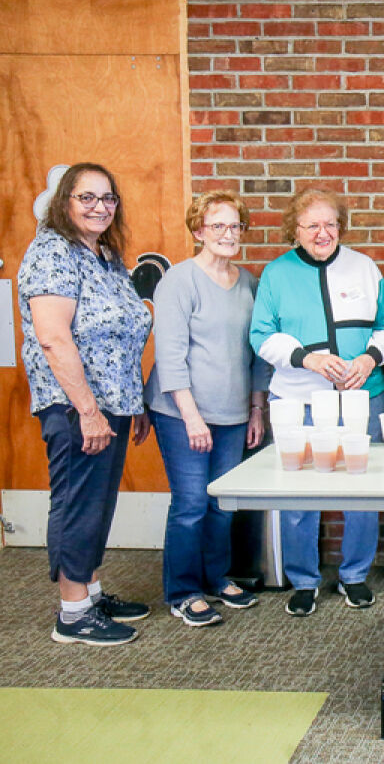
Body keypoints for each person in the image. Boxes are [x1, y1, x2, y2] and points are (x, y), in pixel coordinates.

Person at [18, 162, 153, 646]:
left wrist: (133, 402)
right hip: (76, 406)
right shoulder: (52, 252)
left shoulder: (105, 255)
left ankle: (90, 591)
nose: (100, 207)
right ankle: (72, 613)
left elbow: (122, 331)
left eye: (108, 198)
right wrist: (90, 410)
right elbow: (54, 338)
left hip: (112, 404)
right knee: (77, 502)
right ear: (64, 202)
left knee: (97, 503)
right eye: (87, 197)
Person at [249, 188, 384, 617]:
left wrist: (369, 359)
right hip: (299, 398)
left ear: (341, 227)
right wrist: (306, 358)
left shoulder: (364, 268)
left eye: (330, 224)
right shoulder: (276, 275)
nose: (322, 232)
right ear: (294, 231)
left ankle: (354, 576)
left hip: (361, 398)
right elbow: (260, 335)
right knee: (300, 492)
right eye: (311, 225)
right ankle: (304, 580)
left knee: (362, 491)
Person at [144, 191, 271, 627]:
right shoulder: (179, 281)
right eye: (217, 226)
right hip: (182, 413)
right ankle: (182, 591)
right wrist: (192, 416)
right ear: (198, 230)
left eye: (235, 225)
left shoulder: (249, 282)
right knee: (192, 503)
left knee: (222, 505)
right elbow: (170, 355)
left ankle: (217, 578)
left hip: (233, 413)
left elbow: (257, 354)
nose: (228, 234)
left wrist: (256, 410)